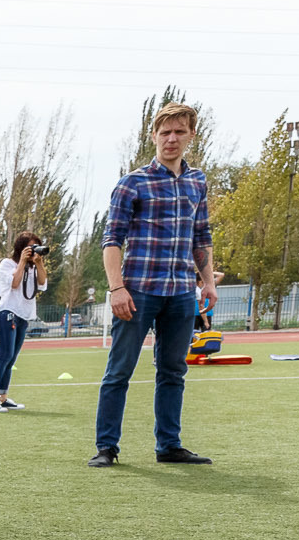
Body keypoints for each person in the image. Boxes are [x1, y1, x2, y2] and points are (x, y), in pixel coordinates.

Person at [91, 101, 218, 468]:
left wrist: (207, 284)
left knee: (174, 370)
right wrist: (117, 288)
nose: (172, 139)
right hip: (139, 290)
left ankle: (169, 446)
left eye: (179, 132)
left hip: (181, 292)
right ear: (154, 136)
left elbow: (201, 236)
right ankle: (107, 447)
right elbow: (112, 239)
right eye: (165, 132)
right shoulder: (133, 183)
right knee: (119, 370)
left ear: (191, 135)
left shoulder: (197, 182)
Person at [0, 233, 45, 411]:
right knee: (4, 355)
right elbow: (15, 283)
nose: (34, 251)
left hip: (23, 316)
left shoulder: (33, 268)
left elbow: (42, 283)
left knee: (11, 359)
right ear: (21, 248)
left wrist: (39, 263)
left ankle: (3, 397)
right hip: (7, 313)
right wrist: (22, 262)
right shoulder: (7, 264)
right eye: (31, 248)